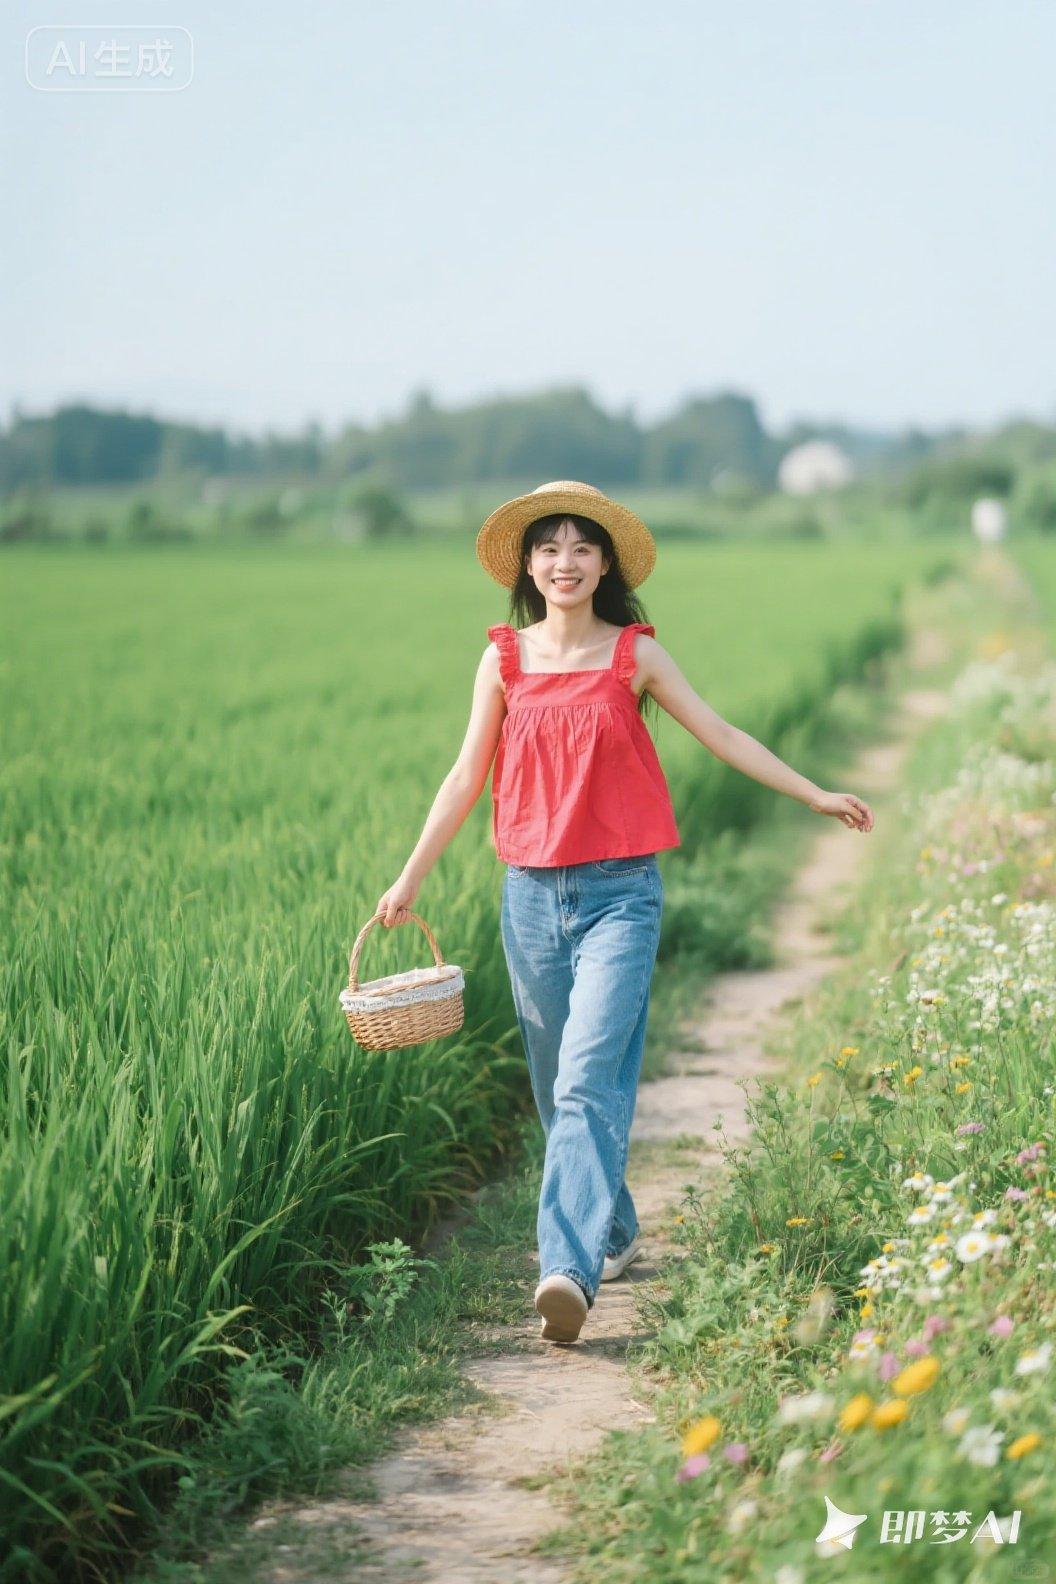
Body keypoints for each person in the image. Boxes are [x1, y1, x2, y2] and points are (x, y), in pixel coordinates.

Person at [375, 480, 874, 1346]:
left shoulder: (634, 655)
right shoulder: (502, 659)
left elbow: (721, 733)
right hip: (529, 896)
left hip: (620, 895)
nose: (564, 562)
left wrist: (814, 793)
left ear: (605, 564)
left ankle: (565, 1269)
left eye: (581, 548)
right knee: (555, 1085)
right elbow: (465, 777)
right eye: (548, 548)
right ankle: (613, 1228)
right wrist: (410, 877)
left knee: (584, 1082)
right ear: (528, 567)